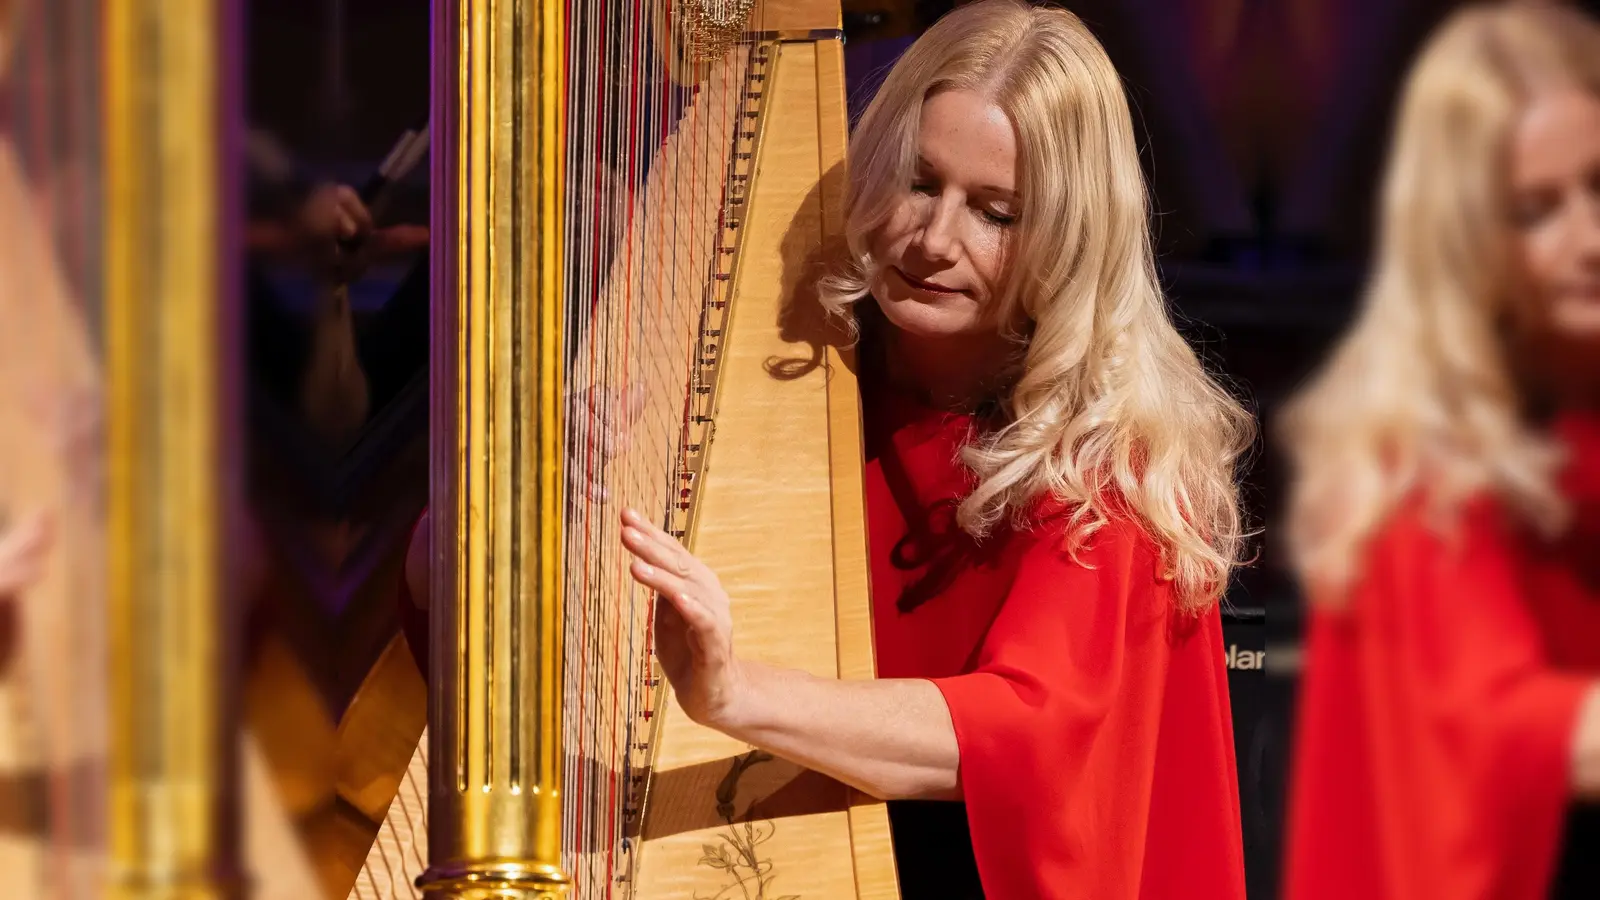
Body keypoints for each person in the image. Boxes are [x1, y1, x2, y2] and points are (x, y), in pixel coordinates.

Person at [616, 2, 1253, 897]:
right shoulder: (804, 361)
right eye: (921, 182)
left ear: (1066, 239)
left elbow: (1021, 730)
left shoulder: (1115, 456)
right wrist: (581, 490)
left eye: (994, 212)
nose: (933, 240)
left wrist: (735, 696)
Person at [1279, 5, 1600, 899]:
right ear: (1466, 238)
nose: (1592, 240)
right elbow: (1497, 730)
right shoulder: (1399, 456)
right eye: (1537, 211)